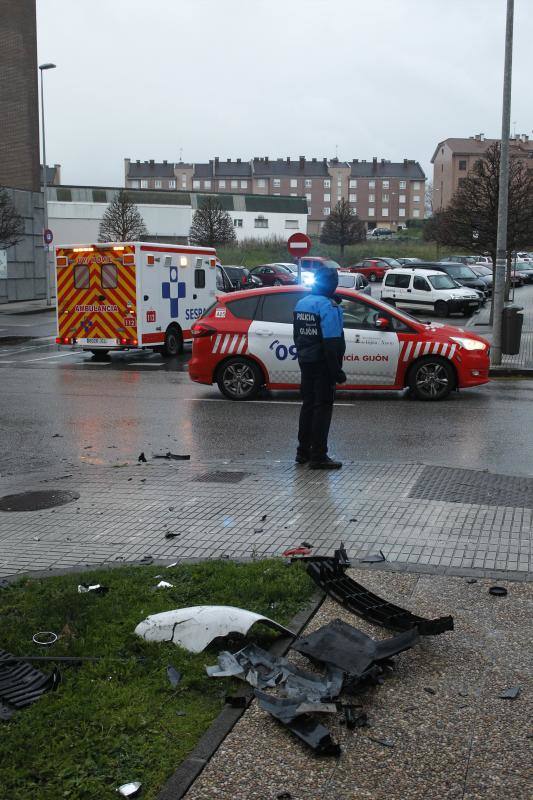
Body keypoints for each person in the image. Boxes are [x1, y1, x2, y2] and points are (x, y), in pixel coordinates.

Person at [293, 266, 346, 469]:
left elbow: (299, 336)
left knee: (308, 406)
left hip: (305, 361)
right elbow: (332, 343)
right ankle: (319, 456)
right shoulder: (328, 307)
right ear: (332, 285)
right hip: (323, 365)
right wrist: (337, 371)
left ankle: (303, 452)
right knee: (322, 409)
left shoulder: (302, 303)